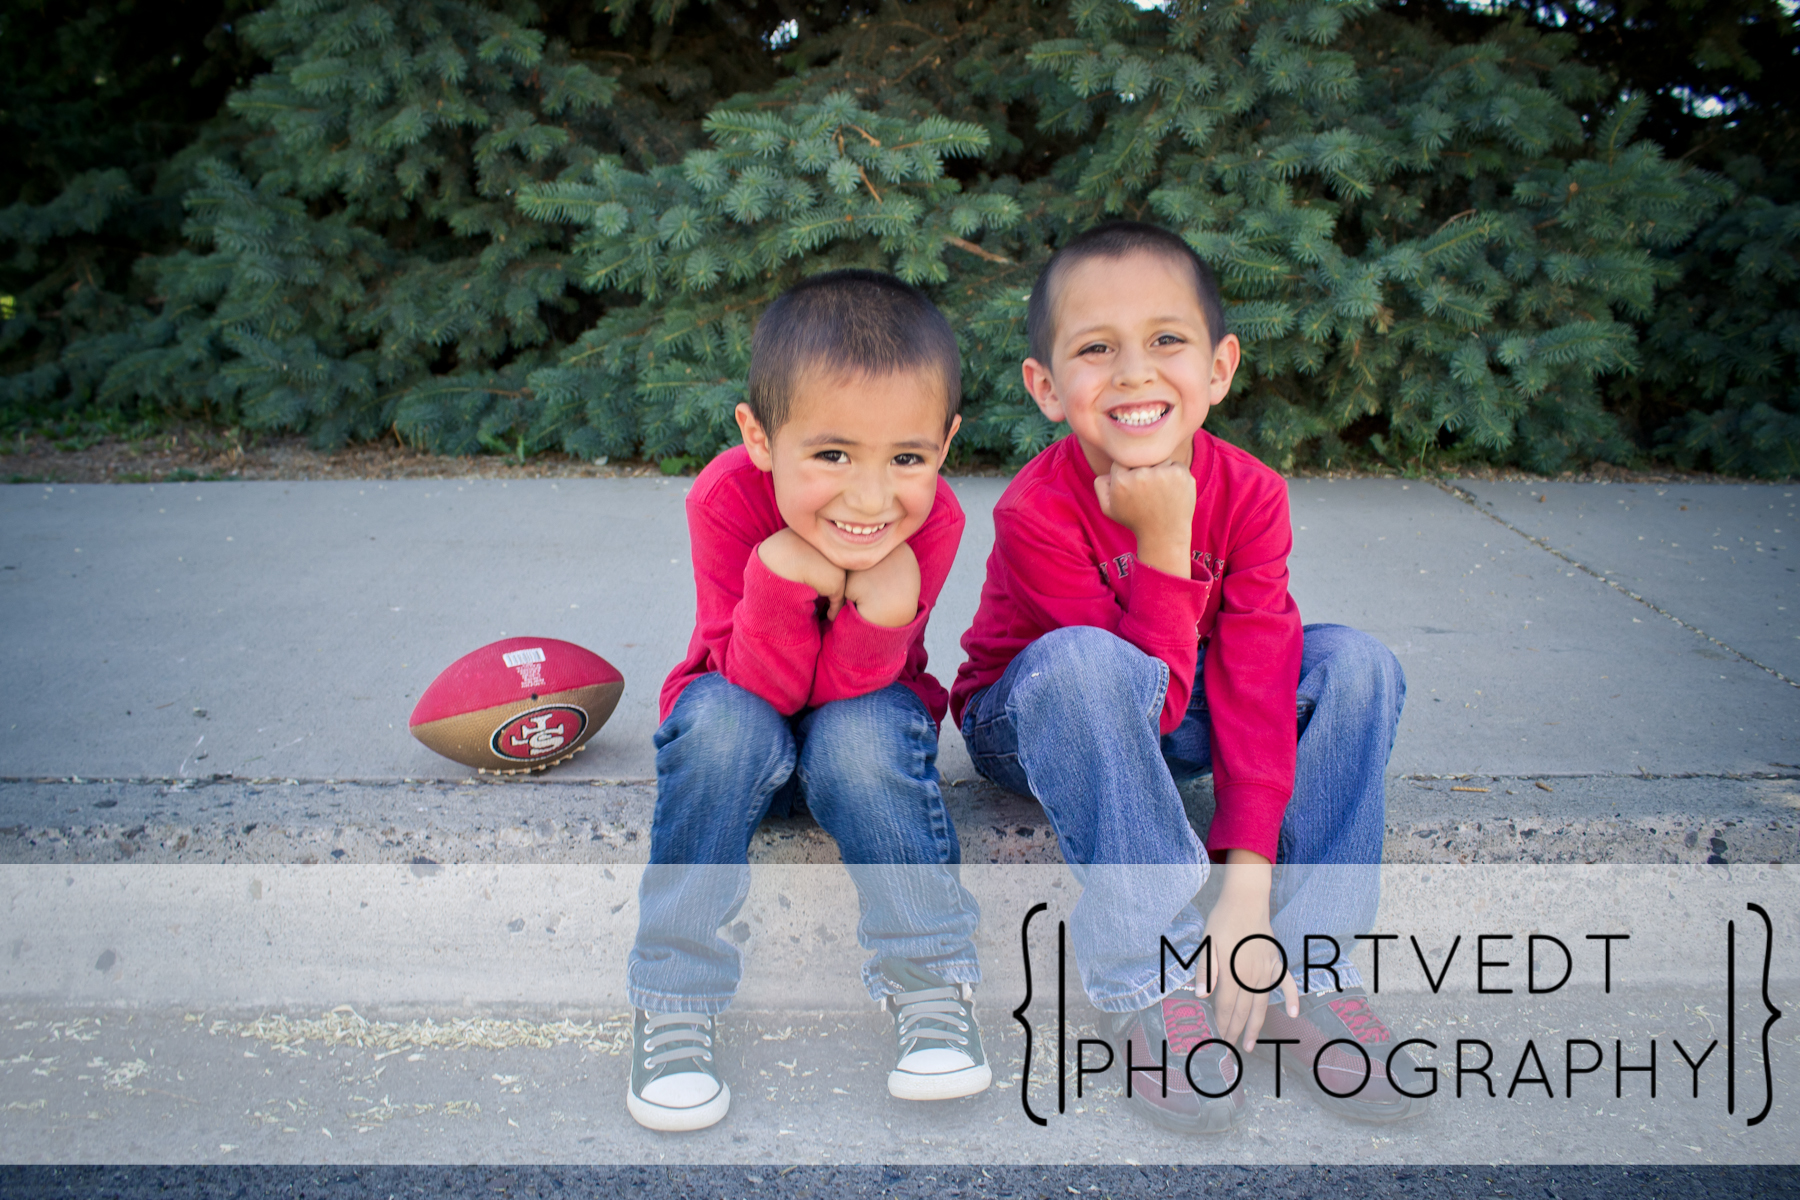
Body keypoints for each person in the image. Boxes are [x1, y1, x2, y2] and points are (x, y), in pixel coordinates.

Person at [952, 221, 1423, 1133]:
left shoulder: (1251, 493)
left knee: (1356, 666)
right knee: (1087, 662)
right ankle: (1150, 978)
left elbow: (1256, 676)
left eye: (1167, 339)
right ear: (1046, 387)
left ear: (1219, 367)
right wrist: (1166, 544)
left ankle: (1305, 970)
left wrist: (1245, 889)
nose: (1134, 374)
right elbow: (1142, 706)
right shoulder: (1037, 512)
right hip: (1046, 719)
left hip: (1182, 695)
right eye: (1096, 349)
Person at [625, 269, 988, 1132]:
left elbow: (847, 697)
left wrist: (886, 612)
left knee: (859, 735)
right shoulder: (724, 498)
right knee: (721, 727)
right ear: (759, 436)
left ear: (946, 442)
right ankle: (674, 1000)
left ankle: (930, 983)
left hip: (862, 737)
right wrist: (782, 577)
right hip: (742, 714)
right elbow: (761, 687)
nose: (871, 498)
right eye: (832, 455)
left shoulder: (932, 522)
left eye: (907, 458)